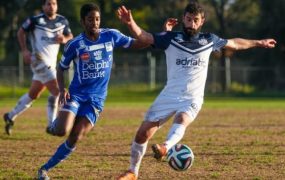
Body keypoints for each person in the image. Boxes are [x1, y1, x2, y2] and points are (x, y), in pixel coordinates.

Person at [116, 2, 276, 180]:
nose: (192, 23)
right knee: (142, 134)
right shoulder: (171, 38)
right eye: (189, 19)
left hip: (193, 97)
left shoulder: (209, 40)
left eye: (195, 20)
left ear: (202, 22)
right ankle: (132, 172)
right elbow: (145, 37)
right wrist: (130, 23)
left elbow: (235, 44)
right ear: (183, 19)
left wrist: (259, 42)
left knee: (182, 119)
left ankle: (165, 147)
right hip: (169, 95)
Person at [37, 3, 146, 179]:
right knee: (62, 131)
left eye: (97, 19)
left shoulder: (111, 36)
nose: (94, 22)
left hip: (96, 100)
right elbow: (61, 68)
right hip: (76, 95)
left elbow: (139, 43)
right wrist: (63, 89)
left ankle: (44, 169)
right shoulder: (75, 44)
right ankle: (54, 125)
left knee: (76, 136)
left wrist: (130, 24)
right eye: (90, 19)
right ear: (83, 22)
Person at [3, 0, 73, 135]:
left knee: (33, 94)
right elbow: (20, 32)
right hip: (38, 61)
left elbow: (70, 36)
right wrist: (24, 50)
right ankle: (51, 125)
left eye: (54, 3)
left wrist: (64, 39)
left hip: (51, 64)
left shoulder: (62, 21)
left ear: (57, 6)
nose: (51, 6)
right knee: (58, 91)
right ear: (43, 6)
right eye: (48, 3)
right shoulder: (35, 20)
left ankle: (10, 116)